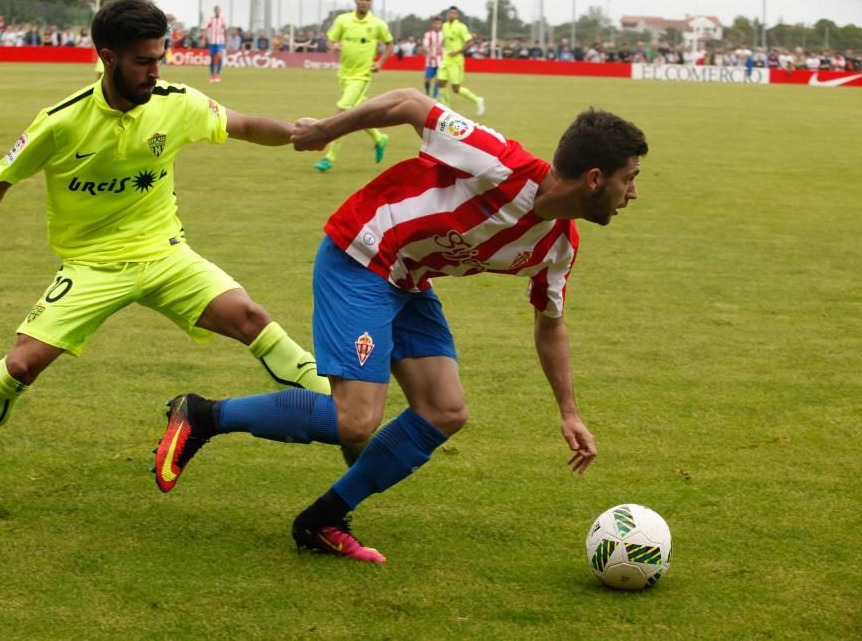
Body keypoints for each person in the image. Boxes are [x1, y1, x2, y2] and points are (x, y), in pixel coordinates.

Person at [156, 88, 648, 562]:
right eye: (629, 179)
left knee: (445, 410)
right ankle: (203, 415)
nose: (633, 193)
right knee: (355, 421)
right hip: (362, 254)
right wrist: (327, 129)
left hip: (408, 280)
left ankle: (323, 519)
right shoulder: (499, 162)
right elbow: (411, 102)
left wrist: (569, 412)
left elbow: (550, 326)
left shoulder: (559, 246)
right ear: (594, 177)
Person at [0, 0, 330, 508]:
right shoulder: (61, 123)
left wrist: (302, 133)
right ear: (108, 57)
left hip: (165, 255)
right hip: (91, 266)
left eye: (160, 57)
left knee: (252, 318)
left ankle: (345, 408)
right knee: (21, 366)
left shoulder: (176, 102)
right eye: (143, 61)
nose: (156, 71)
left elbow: (241, 125)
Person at [312, 0, 393, 173]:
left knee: (341, 115)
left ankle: (329, 157)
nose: (364, 2)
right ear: (355, 0)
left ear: (370, 2)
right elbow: (330, 40)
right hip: (344, 76)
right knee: (358, 115)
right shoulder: (343, 20)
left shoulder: (377, 24)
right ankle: (379, 138)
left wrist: (380, 62)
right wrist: (333, 46)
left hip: (361, 77)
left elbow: (389, 44)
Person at [437, 6, 484, 116]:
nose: (452, 15)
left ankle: (477, 100)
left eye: (454, 13)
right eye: (450, 13)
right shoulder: (444, 26)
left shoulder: (461, 27)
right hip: (446, 60)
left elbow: (469, 42)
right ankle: (447, 111)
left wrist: (457, 52)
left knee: (456, 89)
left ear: (457, 15)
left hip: (456, 61)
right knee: (440, 84)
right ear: (448, 14)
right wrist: (441, 46)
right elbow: (445, 39)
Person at [420, 16, 443, 99]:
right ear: (433, 24)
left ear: (441, 24)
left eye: (439, 23)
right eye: (436, 23)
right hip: (430, 61)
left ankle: (435, 97)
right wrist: (430, 53)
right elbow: (425, 46)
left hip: (441, 61)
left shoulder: (444, 34)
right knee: (427, 80)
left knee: (438, 79)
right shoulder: (428, 34)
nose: (437, 25)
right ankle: (427, 93)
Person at [204, 5, 227, 83]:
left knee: (219, 57)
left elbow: (225, 30)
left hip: (220, 42)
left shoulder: (222, 20)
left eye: (218, 10)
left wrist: (226, 40)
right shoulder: (211, 19)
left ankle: (217, 74)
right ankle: (212, 75)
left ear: (220, 11)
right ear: (214, 11)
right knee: (212, 59)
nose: (217, 11)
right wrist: (203, 39)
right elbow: (206, 29)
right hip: (212, 42)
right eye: (216, 10)